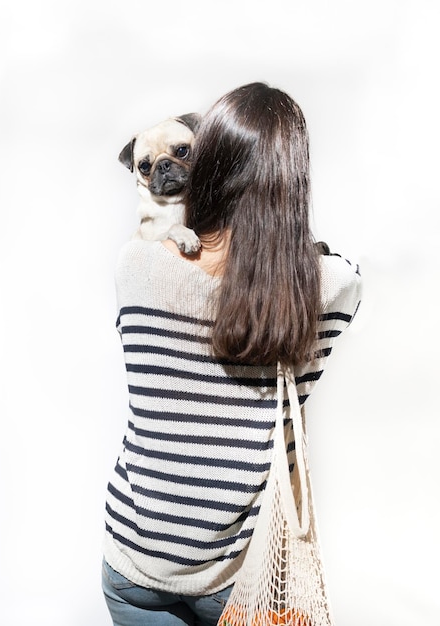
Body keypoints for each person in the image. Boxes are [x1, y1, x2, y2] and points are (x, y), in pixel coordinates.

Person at [102, 82, 362, 626]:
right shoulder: (323, 292)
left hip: (131, 560)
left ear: (209, 163)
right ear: (290, 183)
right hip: (231, 577)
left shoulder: (135, 267)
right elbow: (341, 270)